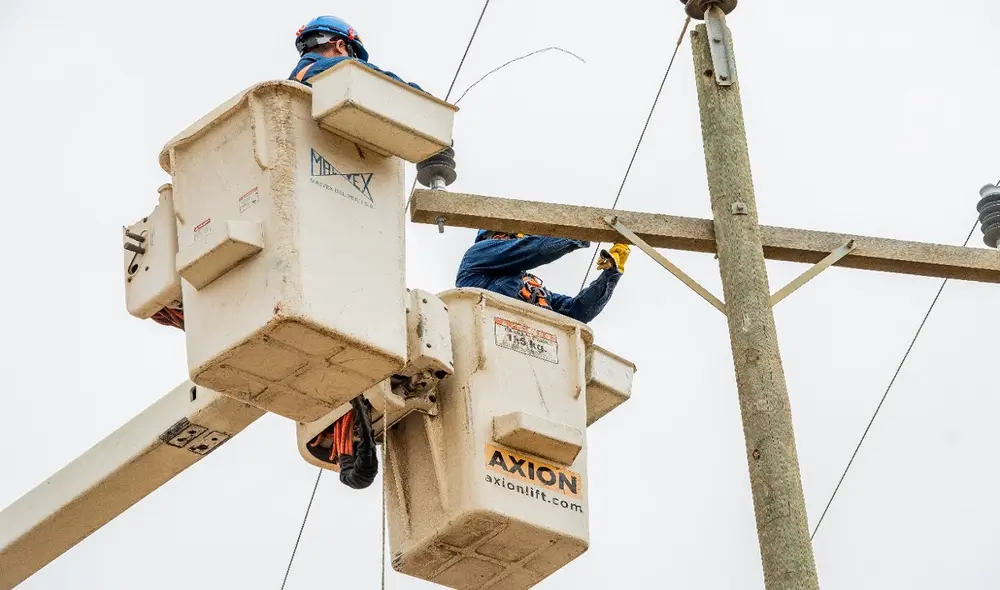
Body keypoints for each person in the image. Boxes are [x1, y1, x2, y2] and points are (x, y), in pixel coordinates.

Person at [456, 231, 630, 324]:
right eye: (515, 238)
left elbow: (577, 312)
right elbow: (534, 249)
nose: (518, 242)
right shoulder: (478, 254)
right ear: (499, 236)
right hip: (492, 337)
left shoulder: (529, 286)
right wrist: (580, 233)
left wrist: (610, 274)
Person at [290, 16, 424, 91]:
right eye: (353, 55)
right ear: (340, 46)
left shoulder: (290, 82)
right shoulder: (343, 67)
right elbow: (392, 83)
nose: (353, 60)